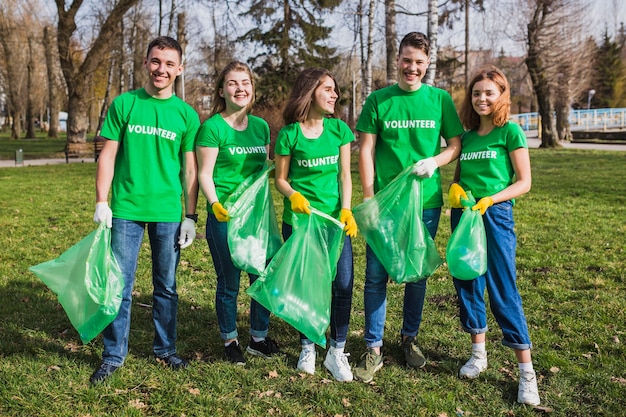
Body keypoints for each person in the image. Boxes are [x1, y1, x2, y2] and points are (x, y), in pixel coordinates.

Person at [354, 31, 464, 383]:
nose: (411, 68)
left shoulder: (440, 100)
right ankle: (373, 347)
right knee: (376, 275)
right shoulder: (378, 100)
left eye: (419, 62)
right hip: (386, 204)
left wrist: (436, 161)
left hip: (426, 203)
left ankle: (409, 338)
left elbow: (456, 145)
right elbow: (366, 150)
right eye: (406, 60)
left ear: (427, 63)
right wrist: (369, 198)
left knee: (417, 272)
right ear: (397, 60)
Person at [91, 36, 200, 385]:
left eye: (169, 64)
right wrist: (101, 201)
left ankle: (165, 350)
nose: (161, 69)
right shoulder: (125, 104)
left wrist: (191, 215)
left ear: (179, 69)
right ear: (145, 63)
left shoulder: (186, 115)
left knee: (166, 287)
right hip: (125, 210)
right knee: (119, 287)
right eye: (156, 61)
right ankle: (113, 355)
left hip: (168, 212)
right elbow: (107, 155)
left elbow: (191, 169)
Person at [448, 65, 539, 405]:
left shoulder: (510, 133)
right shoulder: (467, 138)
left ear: (502, 95)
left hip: (495, 214)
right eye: (476, 93)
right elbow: (459, 177)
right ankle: (478, 353)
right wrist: (457, 193)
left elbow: (524, 182)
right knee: (468, 281)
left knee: (503, 288)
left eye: (489, 92)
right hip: (465, 215)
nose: (481, 98)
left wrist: (491, 199)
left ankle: (526, 373)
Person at [274, 68, 358, 382]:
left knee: (343, 284)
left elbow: (345, 176)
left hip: (335, 223)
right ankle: (307, 346)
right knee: (307, 287)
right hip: (300, 223)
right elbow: (280, 178)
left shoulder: (338, 131)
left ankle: (336, 352)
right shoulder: (289, 134)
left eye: (335, 90)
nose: (334, 95)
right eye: (328, 89)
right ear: (310, 93)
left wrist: (347, 210)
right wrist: (293, 194)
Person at [196, 61, 280, 365]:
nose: (240, 88)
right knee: (229, 281)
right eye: (232, 83)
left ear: (252, 90)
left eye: (245, 83)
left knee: (261, 276)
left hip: (256, 219)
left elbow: (264, 170)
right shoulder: (212, 128)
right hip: (225, 217)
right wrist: (214, 202)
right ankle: (230, 340)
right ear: (222, 90)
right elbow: (204, 173)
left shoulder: (260, 128)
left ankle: (258, 338)